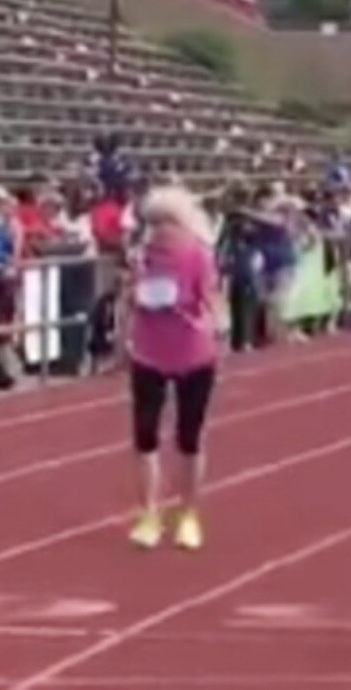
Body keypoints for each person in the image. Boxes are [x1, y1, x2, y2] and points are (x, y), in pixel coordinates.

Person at [123, 186, 219, 551]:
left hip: (193, 353)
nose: (159, 229)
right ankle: (148, 514)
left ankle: (188, 514)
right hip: (148, 353)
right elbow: (130, 296)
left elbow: (210, 299)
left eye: (167, 222)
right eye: (153, 222)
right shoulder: (141, 257)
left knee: (188, 438)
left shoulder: (199, 256)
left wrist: (202, 318)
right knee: (144, 435)